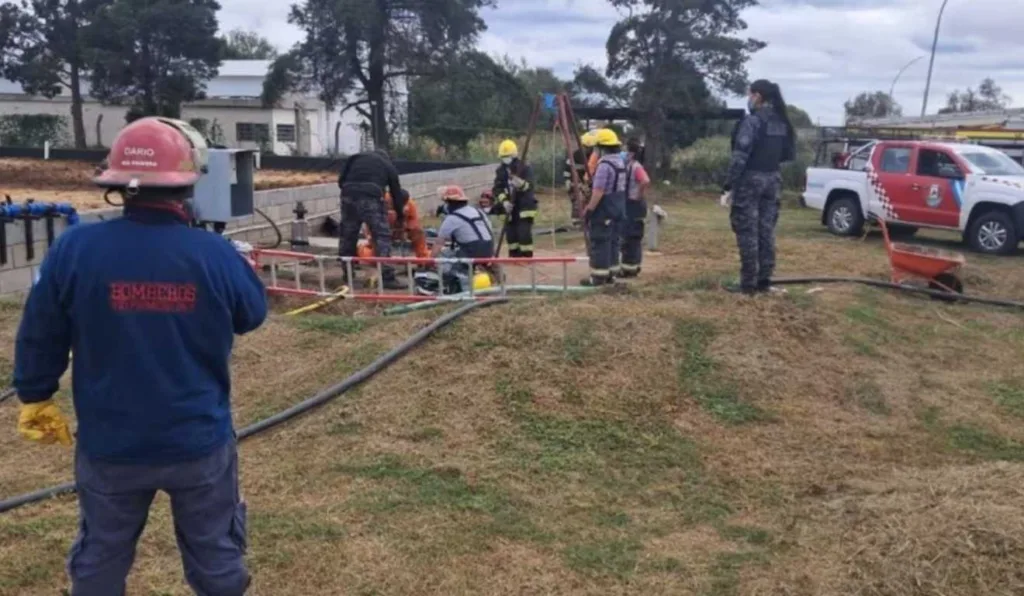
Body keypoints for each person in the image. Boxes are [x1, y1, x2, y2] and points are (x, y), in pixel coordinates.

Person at [13, 117, 267, 595]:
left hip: (111, 444)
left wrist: (35, 395)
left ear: (117, 185)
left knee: (101, 557)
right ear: (189, 180)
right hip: (198, 442)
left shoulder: (75, 249)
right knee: (215, 556)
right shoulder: (213, 254)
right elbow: (251, 315)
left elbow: (40, 332)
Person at [721, 79, 796, 295]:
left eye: (750, 94)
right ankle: (764, 280)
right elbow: (787, 155)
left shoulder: (752, 122)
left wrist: (728, 185)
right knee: (766, 231)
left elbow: (739, 156)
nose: (748, 98)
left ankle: (747, 284)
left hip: (750, 181)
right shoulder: (781, 123)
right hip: (773, 180)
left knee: (747, 231)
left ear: (758, 96)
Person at [338, 149, 407, 290]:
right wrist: (400, 216)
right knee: (381, 236)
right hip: (371, 197)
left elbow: (340, 181)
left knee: (348, 235)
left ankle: (348, 274)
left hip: (348, 194)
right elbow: (396, 193)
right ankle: (387, 277)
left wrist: (352, 191)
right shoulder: (388, 165)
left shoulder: (355, 157)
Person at [415, 185, 495, 295]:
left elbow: (438, 243)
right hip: (489, 249)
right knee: (451, 252)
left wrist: (430, 261)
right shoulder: (478, 211)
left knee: (444, 259)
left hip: (471, 252)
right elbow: (488, 230)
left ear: (449, 203)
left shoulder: (452, 218)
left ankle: (464, 290)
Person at [581, 128, 628, 286]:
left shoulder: (604, 165)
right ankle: (611, 274)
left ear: (601, 147)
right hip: (618, 207)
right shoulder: (621, 162)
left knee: (600, 241)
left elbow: (598, 191)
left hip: (604, 209)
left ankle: (598, 277)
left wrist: (589, 209)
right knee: (613, 241)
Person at [492, 139, 538, 258]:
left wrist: (521, 184)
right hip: (509, 208)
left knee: (523, 235)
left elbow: (530, 186)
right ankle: (514, 257)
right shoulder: (501, 170)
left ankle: (526, 257)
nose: (505, 159)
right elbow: (497, 189)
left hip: (524, 207)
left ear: (514, 155)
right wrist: (505, 202)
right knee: (511, 236)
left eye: (507, 156)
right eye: (503, 157)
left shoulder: (524, 167)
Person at [358, 189, 429, 259]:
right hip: (380, 230)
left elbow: (414, 221)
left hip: (401, 229)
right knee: (375, 258)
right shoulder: (380, 202)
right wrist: (370, 235)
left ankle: (423, 258)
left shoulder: (410, 204)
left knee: (418, 232)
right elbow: (370, 221)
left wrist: (406, 228)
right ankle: (361, 250)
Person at [620, 137, 652, 278]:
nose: (624, 152)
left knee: (632, 237)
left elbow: (645, 180)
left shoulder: (635, 166)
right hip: (630, 204)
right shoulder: (630, 165)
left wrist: (638, 195)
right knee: (628, 237)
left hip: (634, 205)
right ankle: (629, 267)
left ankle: (631, 268)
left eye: (626, 150)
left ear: (631, 153)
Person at [563, 132, 596, 224]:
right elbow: (567, 169)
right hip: (576, 182)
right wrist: (569, 182)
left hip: (588, 183)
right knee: (577, 200)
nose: (586, 149)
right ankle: (577, 222)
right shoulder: (575, 155)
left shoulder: (594, 156)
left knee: (590, 201)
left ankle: (588, 220)